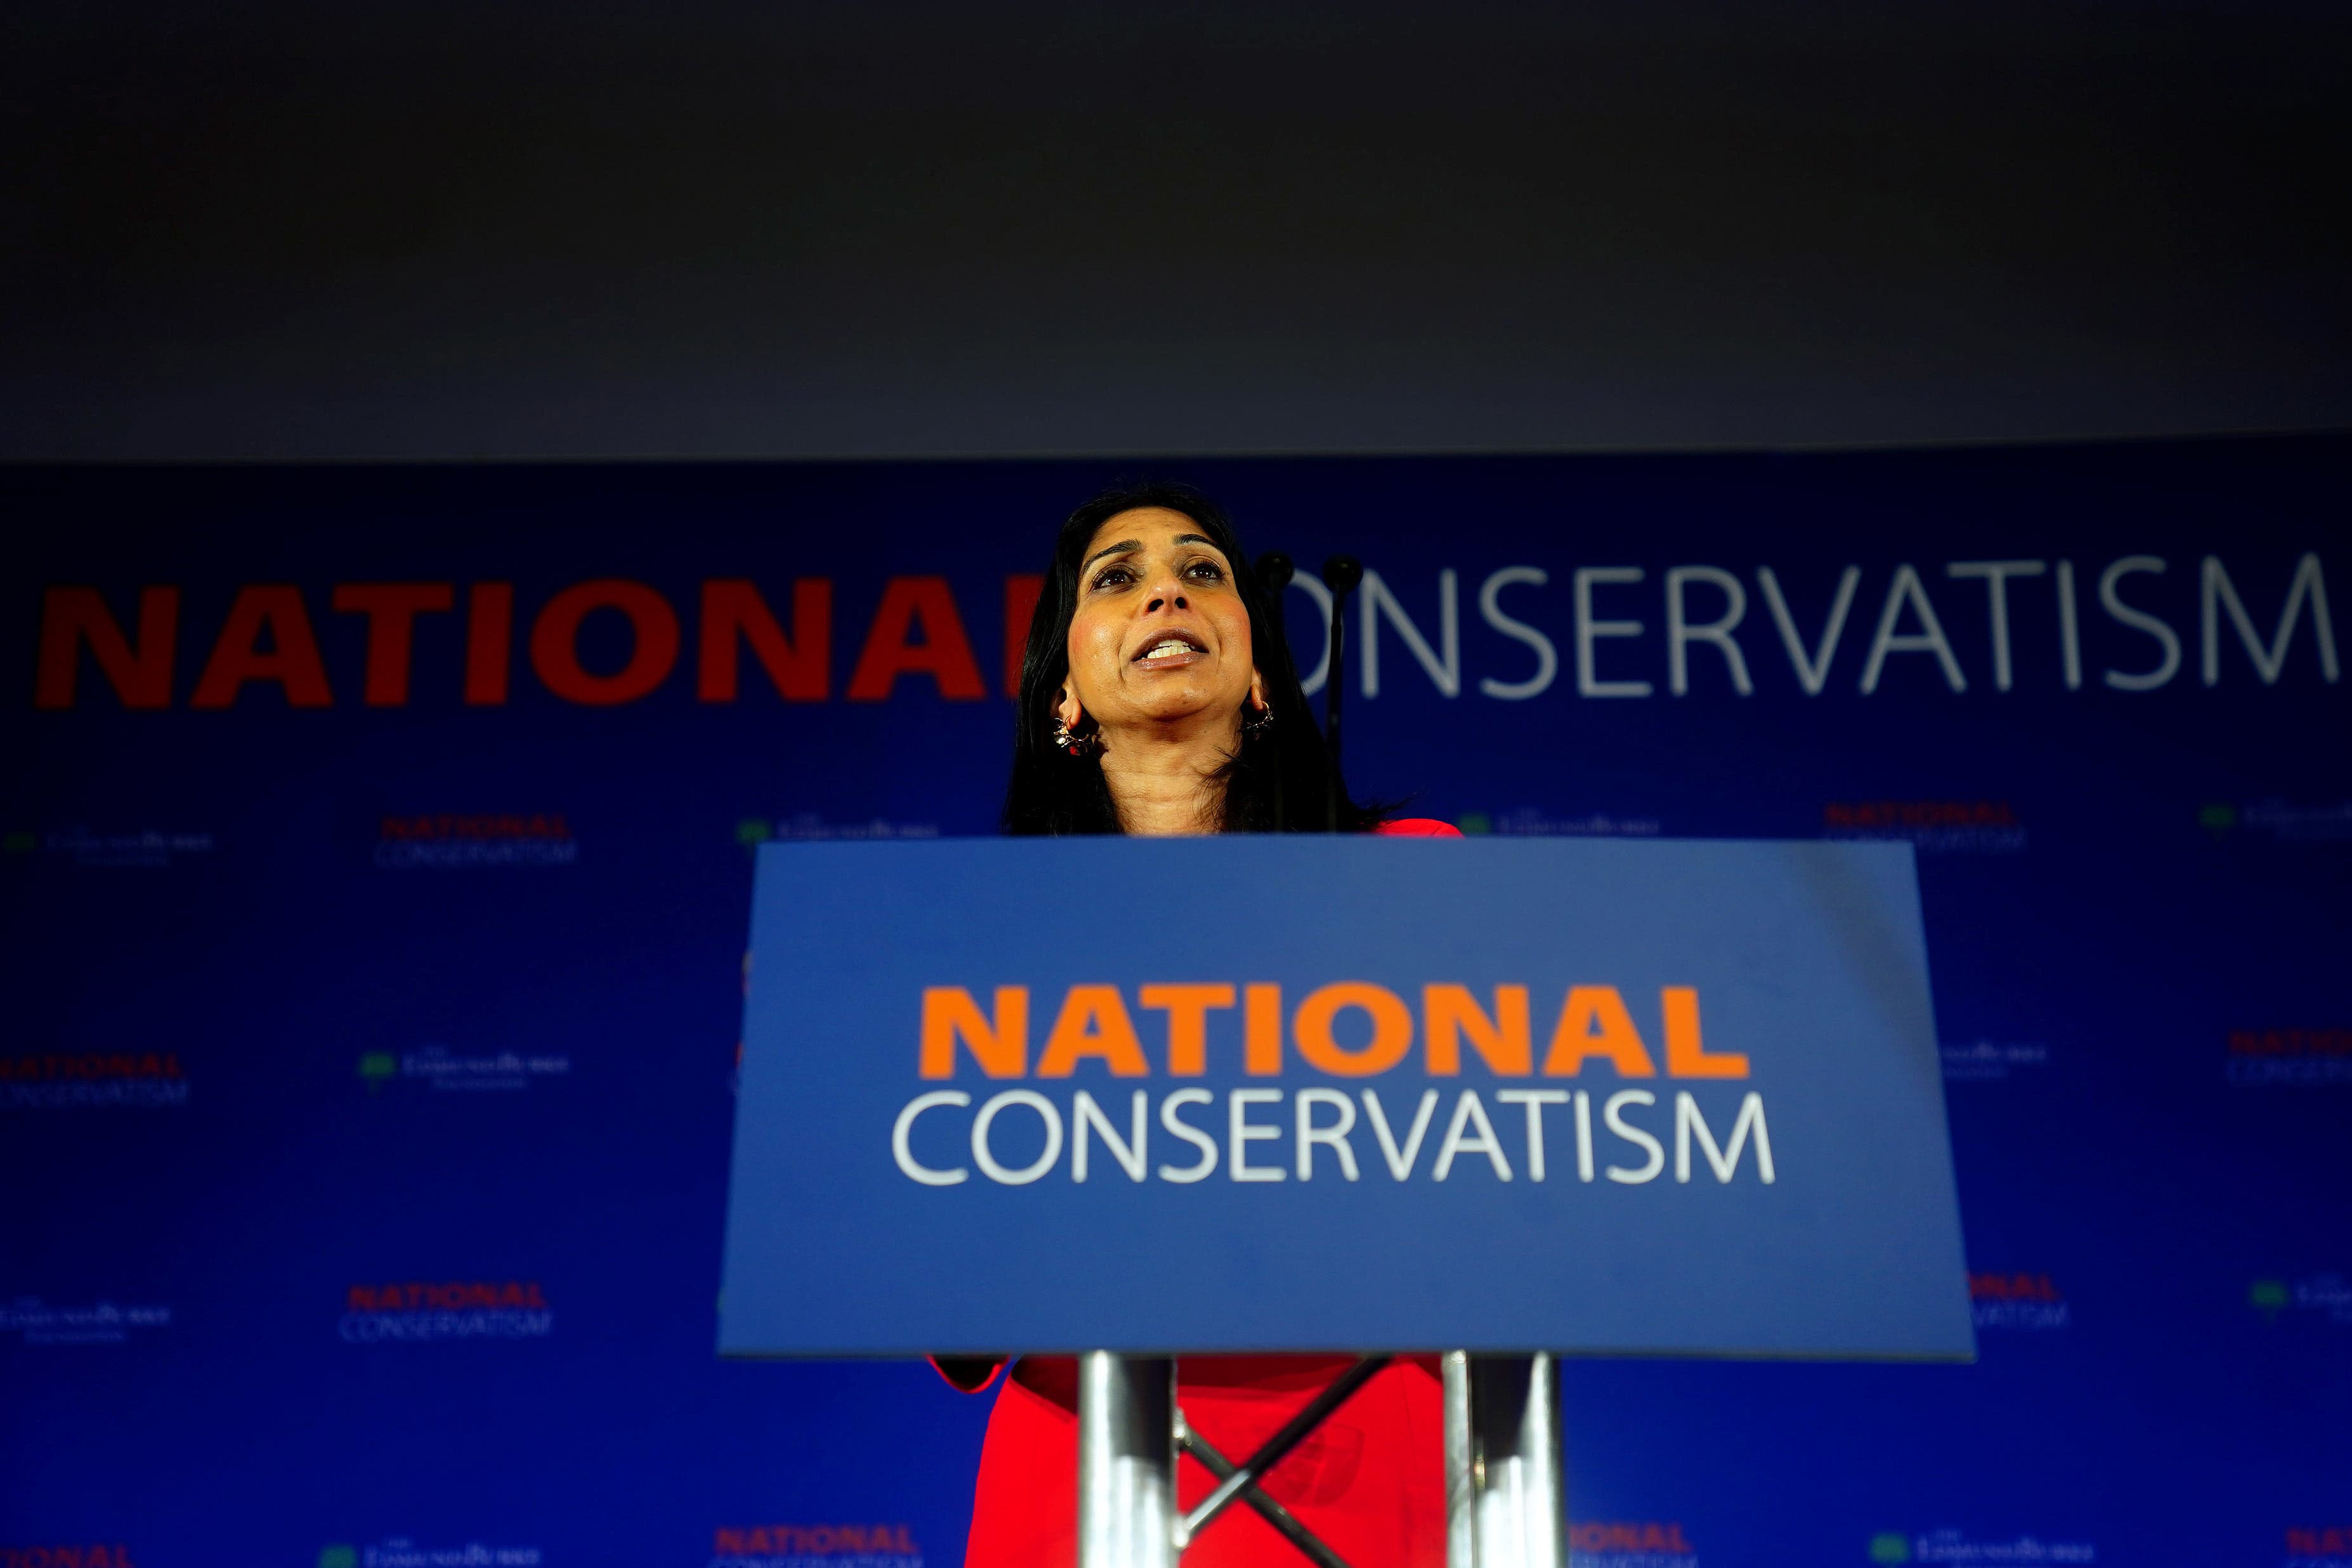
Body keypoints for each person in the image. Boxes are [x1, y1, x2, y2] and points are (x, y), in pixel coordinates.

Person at [942, 481, 1459, 1568]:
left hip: (1365, 1455)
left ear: (1258, 668)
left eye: (1201, 572)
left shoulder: (1411, 875)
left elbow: (1491, 1195)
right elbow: (955, 1300)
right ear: (1063, 691)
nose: (1166, 593)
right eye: (1118, 580)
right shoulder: (981, 944)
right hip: (1076, 1468)